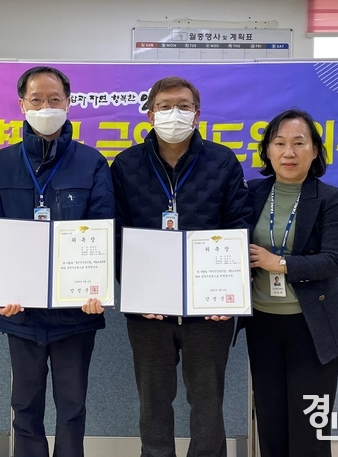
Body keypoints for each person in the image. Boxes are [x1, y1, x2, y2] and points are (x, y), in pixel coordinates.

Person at [0, 66, 114, 457]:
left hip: (76, 312)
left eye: (54, 99)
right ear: (22, 105)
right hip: (20, 311)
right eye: (36, 100)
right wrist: (0, 284)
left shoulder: (92, 163)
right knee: (24, 406)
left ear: (68, 103)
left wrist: (99, 285)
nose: (45, 107)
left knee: (72, 407)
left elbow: (104, 224)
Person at [111, 76, 252, 457]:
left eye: (184, 106)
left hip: (209, 309)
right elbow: (116, 232)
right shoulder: (126, 164)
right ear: (150, 114)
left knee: (207, 403)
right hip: (148, 309)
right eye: (165, 106)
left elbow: (239, 225)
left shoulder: (222, 161)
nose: (174, 113)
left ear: (197, 114)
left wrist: (230, 293)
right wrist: (135, 290)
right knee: (153, 402)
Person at [239, 108, 338, 457]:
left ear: (315, 150)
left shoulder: (331, 199)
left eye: (299, 143)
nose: (288, 152)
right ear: (267, 150)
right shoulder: (250, 193)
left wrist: (279, 263)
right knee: (271, 423)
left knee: (309, 431)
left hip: (311, 325)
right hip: (262, 324)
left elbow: (335, 261)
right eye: (279, 143)